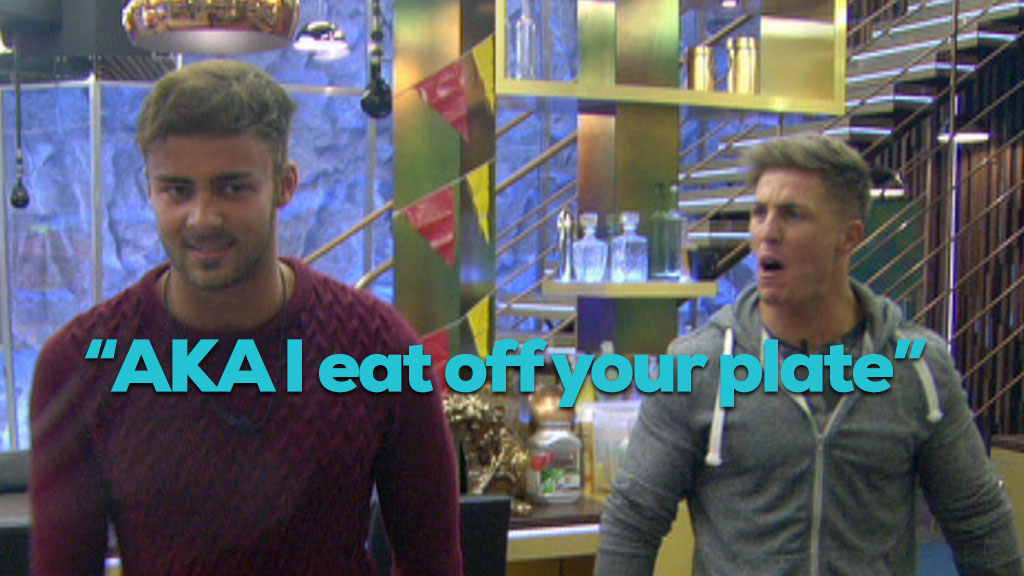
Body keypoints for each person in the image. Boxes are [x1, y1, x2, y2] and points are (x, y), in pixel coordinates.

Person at [29, 59, 463, 575]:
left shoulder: (377, 347)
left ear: (285, 185)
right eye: (178, 190)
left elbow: (434, 562)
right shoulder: (81, 365)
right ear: (149, 188)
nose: (203, 218)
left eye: (232, 188)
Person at [596, 134, 1023, 575]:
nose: (767, 232)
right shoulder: (697, 366)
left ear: (848, 237)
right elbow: (633, 521)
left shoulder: (918, 366)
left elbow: (980, 522)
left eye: (793, 214)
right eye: (760, 212)